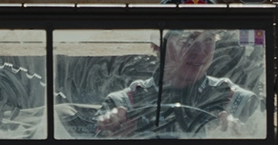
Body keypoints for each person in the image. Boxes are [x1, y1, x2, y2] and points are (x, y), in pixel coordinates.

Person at [95, 18, 263, 138]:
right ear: (158, 45)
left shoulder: (237, 102)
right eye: (188, 40)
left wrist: (240, 132)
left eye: (209, 39)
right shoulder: (124, 103)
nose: (201, 51)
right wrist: (109, 126)